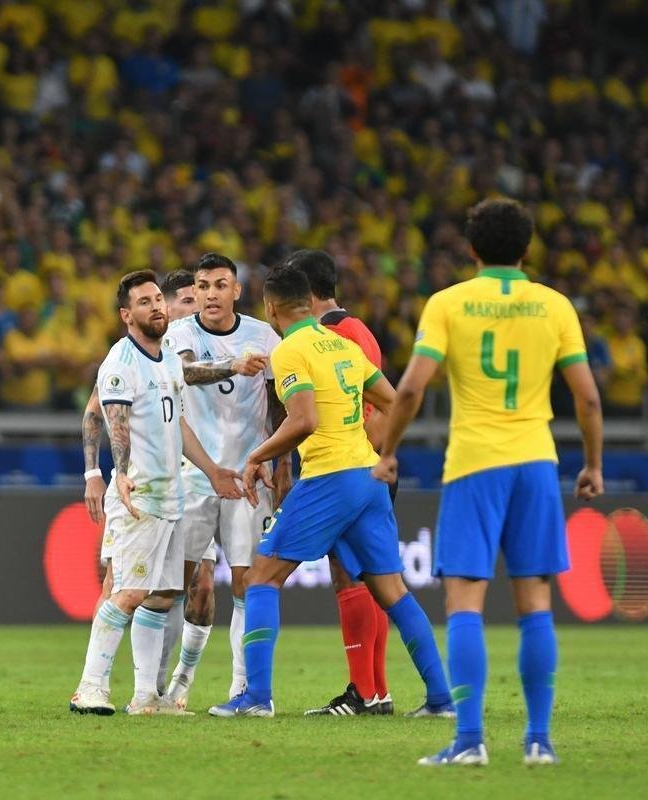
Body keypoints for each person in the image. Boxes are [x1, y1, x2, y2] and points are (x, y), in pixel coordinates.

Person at [377, 198, 604, 766]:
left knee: (465, 604)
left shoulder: (449, 303)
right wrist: (593, 464)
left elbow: (409, 390)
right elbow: (588, 397)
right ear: (527, 250)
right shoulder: (554, 305)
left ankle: (469, 740)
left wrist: (387, 452)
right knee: (535, 604)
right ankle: (538, 741)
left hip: (475, 463)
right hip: (535, 462)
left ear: (472, 249)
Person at [209, 265, 452, 720]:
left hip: (329, 477)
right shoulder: (342, 344)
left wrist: (256, 456)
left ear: (271, 308)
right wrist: (381, 447)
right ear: (308, 302)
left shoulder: (289, 352)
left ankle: (256, 698)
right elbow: (395, 399)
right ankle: (440, 699)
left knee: (261, 578)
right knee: (393, 590)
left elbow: (303, 421)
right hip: (367, 475)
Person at [69, 270, 243, 716]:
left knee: (164, 595)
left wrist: (213, 470)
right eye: (144, 302)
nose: (156, 307)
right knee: (126, 591)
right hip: (140, 497)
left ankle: (148, 696)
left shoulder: (166, 358)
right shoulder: (121, 363)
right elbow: (114, 422)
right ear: (128, 315)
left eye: (157, 300)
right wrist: (117, 474)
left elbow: (177, 424)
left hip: (173, 498)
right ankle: (90, 687)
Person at [161, 253, 281, 709]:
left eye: (220, 285)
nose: (210, 294)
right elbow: (184, 373)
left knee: (248, 583)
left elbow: (279, 402)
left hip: (250, 476)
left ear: (237, 291)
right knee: (179, 584)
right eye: (203, 285)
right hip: (194, 475)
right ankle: (162, 687)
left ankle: (245, 689)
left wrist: (280, 463)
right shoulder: (181, 332)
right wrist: (233, 366)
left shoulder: (263, 335)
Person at [284, 248, 396, 717]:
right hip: (368, 466)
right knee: (369, 579)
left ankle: (365, 691)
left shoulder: (334, 336)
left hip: (353, 468)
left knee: (353, 577)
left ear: (306, 296)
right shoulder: (357, 331)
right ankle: (374, 692)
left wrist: (372, 462)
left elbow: (377, 406)